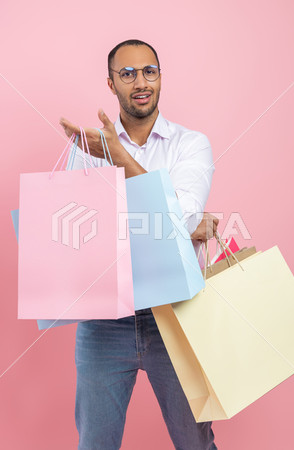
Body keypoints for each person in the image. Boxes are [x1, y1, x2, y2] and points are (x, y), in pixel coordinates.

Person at [60, 39, 219, 450]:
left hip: (177, 315)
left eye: (149, 71)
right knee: (95, 443)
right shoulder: (86, 149)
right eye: (127, 74)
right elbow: (80, 235)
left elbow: (181, 218)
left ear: (161, 77)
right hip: (104, 321)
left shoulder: (191, 144)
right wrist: (178, 223)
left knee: (195, 442)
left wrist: (118, 159)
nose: (140, 82)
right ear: (111, 84)